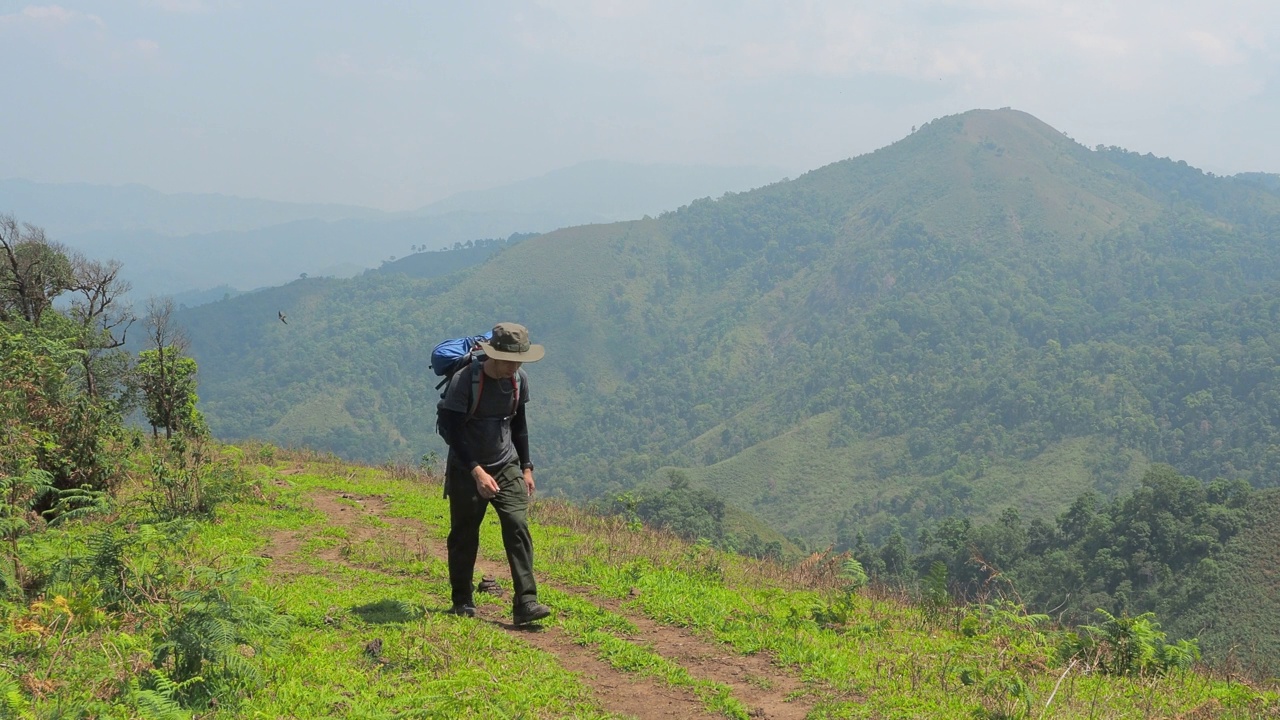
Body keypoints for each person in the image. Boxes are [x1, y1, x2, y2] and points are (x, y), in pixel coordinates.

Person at [438, 322, 551, 625]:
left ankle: (526, 602)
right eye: (510, 361)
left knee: (517, 524)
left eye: (519, 362)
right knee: (464, 533)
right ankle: (462, 600)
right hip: (467, 467)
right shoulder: (465, 381)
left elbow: (519, 425)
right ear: (493, 355)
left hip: (506, 463)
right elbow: (452, 430)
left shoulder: (518, 380)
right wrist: (476, 471)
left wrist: (526, 467)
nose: (514, 367)